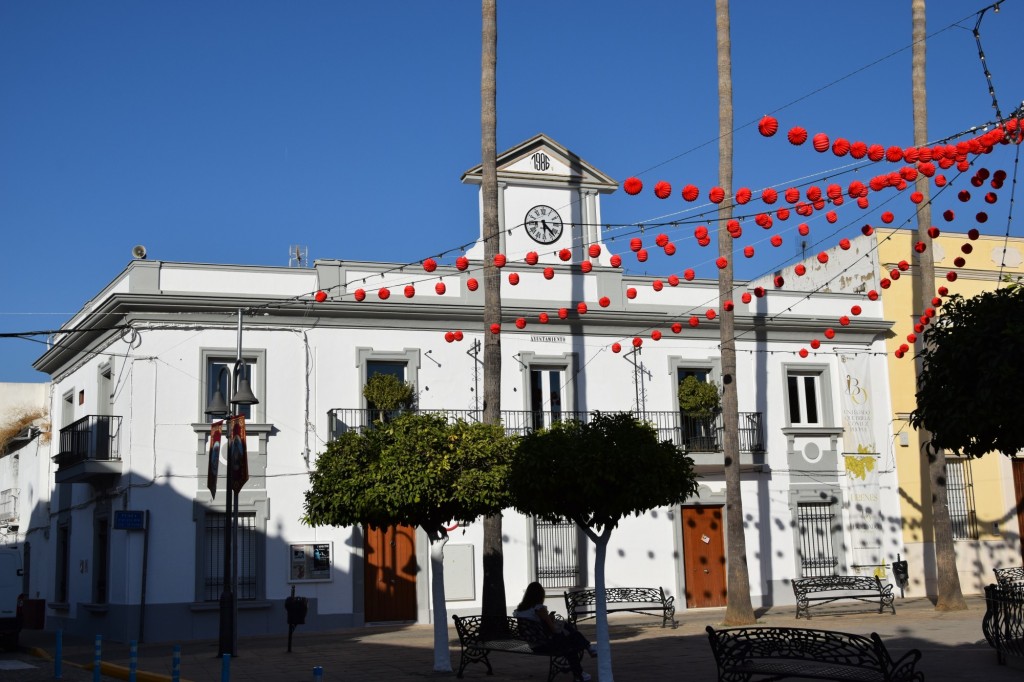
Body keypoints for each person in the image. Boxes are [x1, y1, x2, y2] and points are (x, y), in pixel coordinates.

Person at [513, 581, 596, 682]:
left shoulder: (520, 610)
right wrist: (550, 619)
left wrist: (548, 619)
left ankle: (586, 655)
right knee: (571, 643)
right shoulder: (539, 609)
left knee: (569, 639)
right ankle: (582, 667)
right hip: (545, 644)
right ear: (540, 595)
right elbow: (553, 629)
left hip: (533, 645)